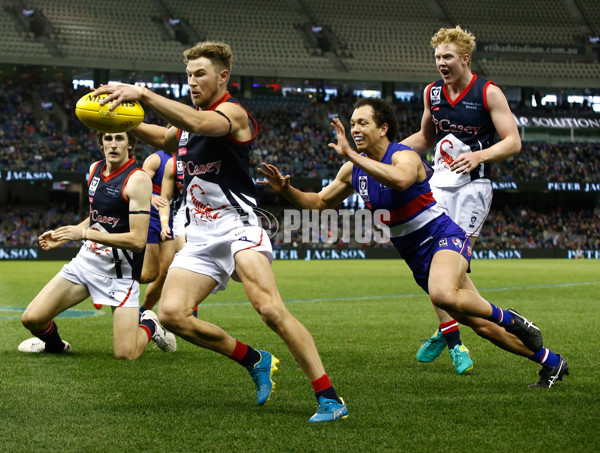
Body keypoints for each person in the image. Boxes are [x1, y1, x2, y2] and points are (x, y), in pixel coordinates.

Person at [92, 41, 348, 422]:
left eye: (200, 74)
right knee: (172, 313)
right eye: (189, 75)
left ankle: (330, 398)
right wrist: (118, 122)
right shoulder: (185, 121)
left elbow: (198, 124)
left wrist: (143, 94)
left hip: (237, 227)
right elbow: (167, 138)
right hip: (199, 235)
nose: (193, 82)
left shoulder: (232, 112)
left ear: (222, 76)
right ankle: (254, 359)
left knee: (270, 311)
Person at [258, 97, 568, 389]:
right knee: (482, 327)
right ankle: (552, 362)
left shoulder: (403, 155)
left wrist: (351, 155)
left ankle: (512, 319)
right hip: (415, 255)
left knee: (443, 293)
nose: (354, 129)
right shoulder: (353, 170)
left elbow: (401, 180)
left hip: (442, 235)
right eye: (352, 123)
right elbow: (318, 203)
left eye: (363, 123)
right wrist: (286, 191)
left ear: (383, 128)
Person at [400, 26, 522, 374]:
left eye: (448, 56)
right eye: (438, 57)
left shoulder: (488, 92)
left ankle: (450, 328)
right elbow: (424, 138)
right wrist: (385, 153)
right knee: (428, 266)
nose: (441, 62)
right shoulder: (432, 93)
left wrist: (480, 157)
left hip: (473, 190)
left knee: (453, 271)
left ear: (465, 59)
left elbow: (512, 142)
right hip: (437, 185)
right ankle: (452, 333)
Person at [19, 131, 176, 359]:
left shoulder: (138, 179)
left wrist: (83, 233)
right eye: (108, 138)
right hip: (86, 263)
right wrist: (64, 235)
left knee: (127, 354)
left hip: (119, 274)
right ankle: (56, 346)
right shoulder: (94, 169)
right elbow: (97, 217)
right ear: (101, 143)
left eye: (120, 139)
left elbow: (137, 240)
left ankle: (149, 323)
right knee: (32, 318)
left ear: (130, 144)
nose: (113, 144)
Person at [138, 150, 177, 317]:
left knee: (166, 272)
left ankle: (143, 312)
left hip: (173, 216)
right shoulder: (156, 159)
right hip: (150, 217)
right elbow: (139, 184)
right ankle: (111, 277)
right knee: (148, 274)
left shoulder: (188, 156)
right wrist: (151, 197)